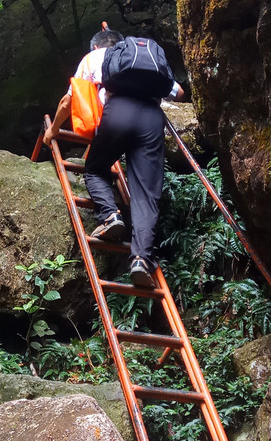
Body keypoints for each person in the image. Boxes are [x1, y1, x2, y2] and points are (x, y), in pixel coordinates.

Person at [45, 23, 185, 288]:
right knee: (146, 194)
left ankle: (110, 215)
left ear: (97, 46)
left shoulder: (94, 58)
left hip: (118, 113)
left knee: (96, 169)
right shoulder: (142, 61)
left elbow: (68, 101)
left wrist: (52, 131)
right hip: (152, 120)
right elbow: (178, 92)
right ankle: (142, 260)